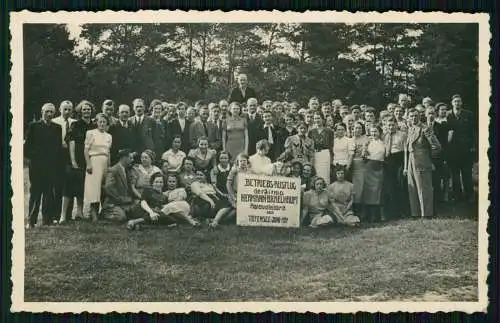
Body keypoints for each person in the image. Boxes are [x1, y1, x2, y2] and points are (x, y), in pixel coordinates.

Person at [25, 103, 62, 228]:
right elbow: (27, 148)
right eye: (47, 112)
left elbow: (58, 147)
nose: (49, 114)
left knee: (49, 193)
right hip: (36, 166)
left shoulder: (57, 128)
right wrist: (38, 156)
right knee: (35, 192)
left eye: (52, 112)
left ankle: (47, 220)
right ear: (42, 112)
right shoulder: (33, 126)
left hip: (51, 165)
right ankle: (31, 221)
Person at [58, 100, 95, 224]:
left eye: (88, 109)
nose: (86, 111)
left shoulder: (94, 125)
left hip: (88, 159)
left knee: (81, 186)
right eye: (84, 109)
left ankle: (79, 212)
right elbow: (71, 142)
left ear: (91, 111)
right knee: (68, 186)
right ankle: (63, 215)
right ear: (80, 111)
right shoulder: (76, 125)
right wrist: (73, 160)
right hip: (75, 159)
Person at [126, 172, 200, 230]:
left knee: (171, 219)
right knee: (162, 216)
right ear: (152, 183)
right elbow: (143, 202)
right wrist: (151, 212)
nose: (159, 184)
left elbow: (169, 209)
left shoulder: (164, 196)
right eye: (156, 182)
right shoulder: (148, 190)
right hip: (143, 210)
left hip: (156, 214)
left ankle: (143, 226)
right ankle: (135, 221)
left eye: (161, 182)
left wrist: (188, 219)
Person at [404, 108, 441, 218]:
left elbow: (436, 146)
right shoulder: (410, 129)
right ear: (408, 118)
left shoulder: (425, 129)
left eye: (416, 116)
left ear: (420, 116)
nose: (413, 118)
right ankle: (415, 213)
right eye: (411, 116)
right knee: (413, 188)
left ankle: (427, 214)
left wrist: (430, 160)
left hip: (423, 161)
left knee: (424, 188)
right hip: (411, 161)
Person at [83, 113, 112, 222]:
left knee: (103, 187)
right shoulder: (91, 133)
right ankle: (93, 212)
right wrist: (88, 164)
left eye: (104, 122)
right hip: (94, 161)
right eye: (100, 122)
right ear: (96, 122)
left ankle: (102, 212)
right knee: (94, 188)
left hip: (104, 162)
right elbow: (86, 150)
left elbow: (108, 152)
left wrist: (109, 166)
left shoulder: (109, 136)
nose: (102, 124)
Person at [447, 94, 476, 202]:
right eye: (455, 101)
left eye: (459, 101)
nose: (457, 103)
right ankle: (456, 195)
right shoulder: (448, 115)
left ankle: (470, 195)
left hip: (466, 149)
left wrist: (473, 146)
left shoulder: (469, 114)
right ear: (452, 103)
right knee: (454, 174)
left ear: (462, 103)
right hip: (453, 150)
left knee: (467, 173)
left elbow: (473, 132)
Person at [51, 100, 76, 222]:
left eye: (69, 109)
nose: (67, 111)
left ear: (72, 110)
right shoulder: (54, 121)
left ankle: (68, 214)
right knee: (57, 184)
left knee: (69, 183)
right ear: (60, 109)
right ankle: (56, 214)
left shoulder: (74, 123)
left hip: (70, 155)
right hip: (57, 155)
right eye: (65, 109)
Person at [383, 116, 408, 220]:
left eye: (393, 124)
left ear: (396, 125)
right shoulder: (385, 135)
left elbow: (406, 151)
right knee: (391, 187)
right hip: (389, 161)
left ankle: (402, 211)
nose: (391, 127)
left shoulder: (402, 135)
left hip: (399, 159)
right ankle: (393, 212)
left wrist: (405, 166)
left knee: (400, 185)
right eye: (389, 125)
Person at [101, 149, 136, 222]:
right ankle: (106, 213)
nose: (132, 160)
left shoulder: (127, 170)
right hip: (113, 203)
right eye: (130, 158)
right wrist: (121, 199)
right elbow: (108, 187)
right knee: (121, 218)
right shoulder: (113, 170)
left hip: (125, 203)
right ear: (124, 158)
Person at [361, 125, 386, 222]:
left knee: (378, 190)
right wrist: (364, 148)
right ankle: (370, 215)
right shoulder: (368, 142)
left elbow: (386, 154)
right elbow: (363, 156)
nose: (373, 133)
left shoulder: (383, 142)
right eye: (372, 132)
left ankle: (380, 215)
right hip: (369, 166)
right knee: (369, 191)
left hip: (379, 167)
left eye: (375, 131)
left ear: (379, 132)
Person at [308, 113, 334, 185]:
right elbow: (309, 145)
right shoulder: (311, 131)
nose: (317, 120)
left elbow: (331, 146)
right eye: (315, 118)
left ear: (322, 119)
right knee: (316, 174)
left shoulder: (329, 131)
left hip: (325, 154)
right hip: (315, 154)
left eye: (319, 118)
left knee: (325, 175)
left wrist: (332, 159)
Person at [351, 122, 369, 213]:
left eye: (359, 128)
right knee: (354, 187)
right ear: (352, 129)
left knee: (362, 186)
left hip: (362, 164)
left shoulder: (366, 139)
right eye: (355, 128)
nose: (357, 130)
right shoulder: (351, 139)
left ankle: (363, 210)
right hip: (353, 165)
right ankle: (355, 208)